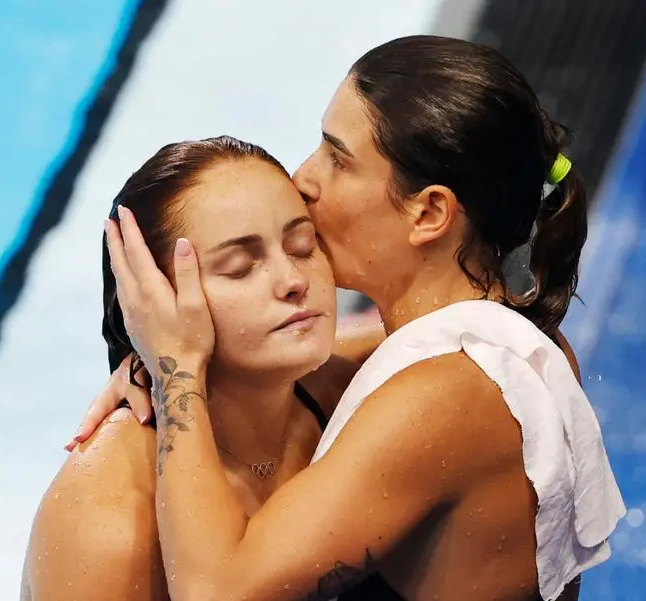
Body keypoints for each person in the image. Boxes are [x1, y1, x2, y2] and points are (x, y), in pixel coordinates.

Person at [81, 35, 626, 601]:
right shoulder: (506, 339)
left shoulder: (441, 396)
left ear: (429, 212)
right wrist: (171, 356)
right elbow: (357, 345)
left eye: (337, 159)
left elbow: (215, 592)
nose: (303, 178)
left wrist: (177, 370)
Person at [20, 136, 386, 601]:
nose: (293, 281)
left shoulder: (341, 388)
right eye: (239, 267)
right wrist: (167, 361)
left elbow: (446, 325)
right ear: (154, 305)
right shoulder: (108, 515)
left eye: (301, 245)